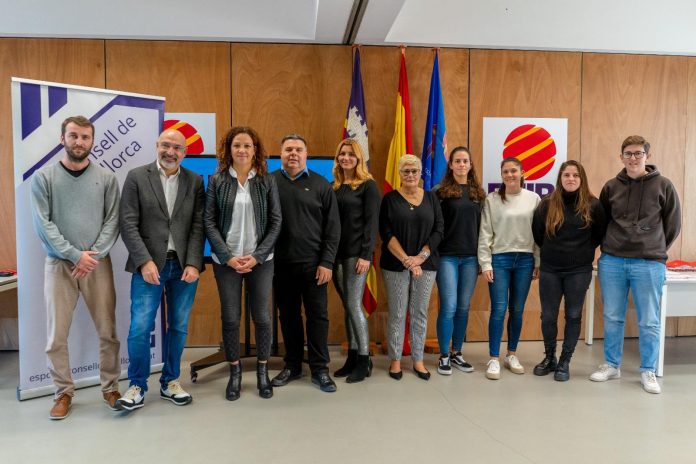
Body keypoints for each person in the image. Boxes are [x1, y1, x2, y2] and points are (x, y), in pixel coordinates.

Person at [31, 115, 121, 420]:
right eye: (73, 136)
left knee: (108, 331)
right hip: (59, 266)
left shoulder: (107, 179)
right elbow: (43, 225)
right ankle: (63, 393)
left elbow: (113, 221)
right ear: (62, 139)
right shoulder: (44, 179)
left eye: (85, 137)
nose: (79, 142)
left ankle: (110, 387)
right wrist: (73, 255)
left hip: (97, 265)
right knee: (56, 335)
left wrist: (90, 258)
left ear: (92, 141)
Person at [117, 128, 205, 410]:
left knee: (178, 327)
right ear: (156, 146)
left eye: (177, 148)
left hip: (183, 267)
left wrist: (193, 262)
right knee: (140, 328)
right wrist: (144, 261)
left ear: (185, 152)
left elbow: (198, 225)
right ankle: (136, 385)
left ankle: (170, 382)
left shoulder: (194, 180)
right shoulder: (136, 176)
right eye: (166, 145)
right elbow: (127, 223)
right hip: (148, 266)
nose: (171, 152)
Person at [589, 135, 681, 394]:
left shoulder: (664, 185)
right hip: (613, 261)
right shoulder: (611, 187)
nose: (633, 158)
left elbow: (672, 225)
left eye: (638, 153)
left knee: (649, 320)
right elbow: (602, 221)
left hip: (649, 263)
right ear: (621, 157)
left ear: (647, 156)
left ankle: (648, 370)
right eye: (628, 153)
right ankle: (611, 364)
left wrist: (654, 246)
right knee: (612, 316)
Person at [204, 127, 281, 401]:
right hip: (226, 262)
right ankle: (234, 372)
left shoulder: (266, 181)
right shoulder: (217, 181)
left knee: (262, 317)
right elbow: (209, 222)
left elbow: (276, 222)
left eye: (248, 145)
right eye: (237, 145)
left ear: (255, 150)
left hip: (261, 261)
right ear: (229, 149)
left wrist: (258, 256)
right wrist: (228, 256)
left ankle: (262, 371)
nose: (242, 150)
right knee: (231, 317)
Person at [270, 134, 341, 393]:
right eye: (288, 149)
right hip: (279, 265)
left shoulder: (322, 185)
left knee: (317, 318)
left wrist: (327, 262)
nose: (293, 154)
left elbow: (333, 229)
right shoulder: (269, 183)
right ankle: (293, 365)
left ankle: (320, 369)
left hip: (314, 266)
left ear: (306, 154)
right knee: (288, 317)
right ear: (281, 154)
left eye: (298, 149)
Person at [532, 160, 606, 381]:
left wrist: (580, 252)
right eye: (566, 175)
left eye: (575, 175)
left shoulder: (593, 205)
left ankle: (565, 361)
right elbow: (538, 234)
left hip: (578, 270)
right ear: (560, 178)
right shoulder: (547, 204)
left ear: (581, 179)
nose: (571, 179)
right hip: (550, 269)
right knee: (548, 316)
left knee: (573, 315)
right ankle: (549, 358)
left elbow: (598, 236)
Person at [380, 154, 443, 381]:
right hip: (395, 264)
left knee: (419, 312)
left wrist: (420, 258)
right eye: (405, 171)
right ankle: (396, 360)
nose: (410, 175)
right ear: (399, 174)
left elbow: (439, 230)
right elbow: (386, 233)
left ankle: (418, 360)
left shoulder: (432, 199)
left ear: (420, 173)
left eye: (414, 171)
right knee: (397, 313)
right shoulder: (389, 199)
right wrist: (407, 259)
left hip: (426, 264)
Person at [478, 157, 540, 380]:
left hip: (525, 260)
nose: (510, 175)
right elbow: (485, 233)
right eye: (506, 171)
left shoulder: (534, 199)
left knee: (517, 309)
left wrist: (538, 261)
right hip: (499, 260)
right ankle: (493, 358)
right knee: (498, 309)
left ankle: (511, 354)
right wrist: (485, 262)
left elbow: (538, 235)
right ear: (501, 174)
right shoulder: (492, 199)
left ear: (523, 172)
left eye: (514, 171)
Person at [331, 139, 380, 383]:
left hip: (356, 256)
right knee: (348, 307)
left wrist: (366, 255)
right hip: (336, 255)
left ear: (359, 158)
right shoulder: (335, 186)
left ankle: (364, 359)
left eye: (351, 154)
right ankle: (351, 356)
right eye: (342, 153)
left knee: (354, 304)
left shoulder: (368, 186)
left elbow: (372, 224)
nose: (346, 157)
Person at [435, 147, 485, 375]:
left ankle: (457, 353)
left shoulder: (478, 194)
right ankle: (443, 355)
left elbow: (484, 229)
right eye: (458, 161)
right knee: (449, 307)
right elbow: (435, 226)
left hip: (471, 258)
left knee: (463, 307)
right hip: (447, 257)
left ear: (470, 164)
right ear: (451, 165)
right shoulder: (440, 192)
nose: (462, 164)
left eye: (466, 160)